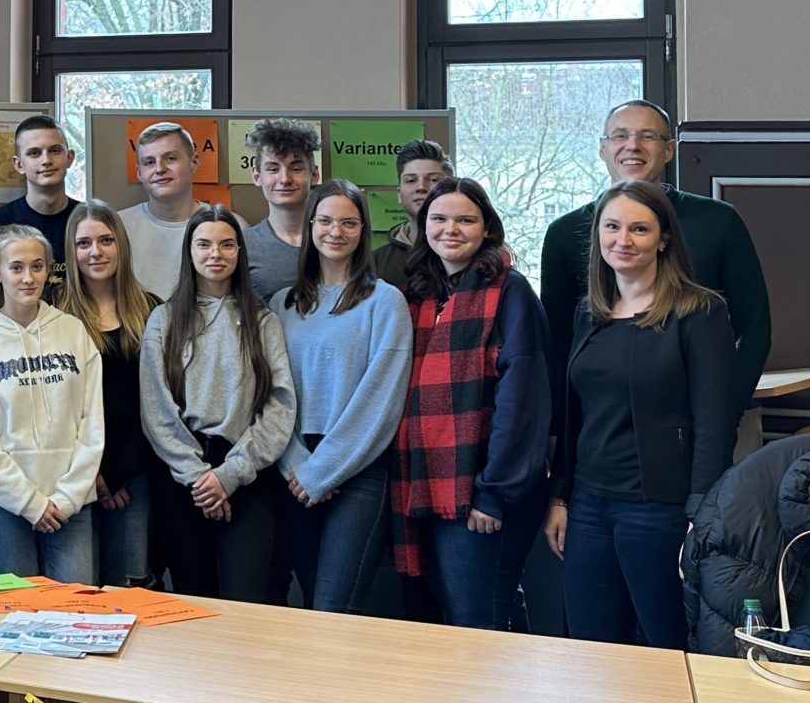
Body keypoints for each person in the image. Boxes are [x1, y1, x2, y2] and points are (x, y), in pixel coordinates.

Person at [545, 180, 736, 649]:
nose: (622, 240)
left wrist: (699, 511)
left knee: (666, 646)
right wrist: (561, 497)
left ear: (664, 238)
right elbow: (575, 416)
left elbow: (714, 421)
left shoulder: (699, 312)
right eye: (612, 227)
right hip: (588, 506)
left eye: (639, 229)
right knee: (592, 646)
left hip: (660, 511)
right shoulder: (588, 314)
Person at [539, 101, 769, 449]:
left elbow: (754, 330)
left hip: (713, 425)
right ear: (603, 149)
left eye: (647, 136)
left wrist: (725, 409)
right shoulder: (565, 233)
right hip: (604, 431)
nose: (633, 145)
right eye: (620, 136)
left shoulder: (719, 221)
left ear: (669, 150)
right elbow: (558, 344)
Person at [390, 178, 550, 631]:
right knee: (442, 616)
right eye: (439, 219)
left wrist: (493, 492)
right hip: (424, 483)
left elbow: (523, 402)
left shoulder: (510, 291)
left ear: (486, 228)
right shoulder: (417, 295)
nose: (450, 229)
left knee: (477, 618)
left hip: (482, 489)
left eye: (466, 219)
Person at [267, 180, 412, 614]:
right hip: (293, 468)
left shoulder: (385, 302)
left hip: (357, 471)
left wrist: (323, 471)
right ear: (310, 225)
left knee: (333, 610)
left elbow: (381, 400)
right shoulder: (282, 304)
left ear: (364, 231)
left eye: (349, 223)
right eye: (326, 220)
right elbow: (272, 393)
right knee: (308, 602)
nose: (336, 231)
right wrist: (296, 463)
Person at [139, 205, 295, 602]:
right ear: (189, 252)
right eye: (204, 244)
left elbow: (279, 407)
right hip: (182, 474)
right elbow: (156, 409)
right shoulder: (164, 320)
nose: (215, 254)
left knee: (247, 599)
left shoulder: (264, 322)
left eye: (227, 245)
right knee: (195, 598)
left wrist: (229, 476)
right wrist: (197, 477)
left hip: (246, 470)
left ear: (240, 253)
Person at [0, 226, 105, 581]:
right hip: (6, 505)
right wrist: (30, 503)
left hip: (71, 502)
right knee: (19, 617)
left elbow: (92, 422)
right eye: (16, 267)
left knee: (75, 611)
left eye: (37, 266)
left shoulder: (73, 331)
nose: (28, 278)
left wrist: (68, 497)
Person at [59, 200, 159, 586]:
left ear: (121, 245)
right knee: (78, 590)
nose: (95, 252)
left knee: (130, 587)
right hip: (72, 475)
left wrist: (116, 474)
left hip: (133, 474)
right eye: (84, 243)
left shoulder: (152, 312)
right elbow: (55, 406)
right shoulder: (54, 315)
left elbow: (155, 404)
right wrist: (93, 474)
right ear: (71, 251)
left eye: (105, 240)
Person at [0, 114, 80, 299]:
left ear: (69, 158)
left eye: (55, 150)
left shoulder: (88, 223)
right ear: (19, 164)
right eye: (34, 153)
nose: (46, 160)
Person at [118, 122, 203, 298]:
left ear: (194, 162)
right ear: (139, 172)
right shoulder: (117, 228)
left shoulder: (227, 226)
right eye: (149, 162)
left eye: (170, 158)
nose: (159, 169)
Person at [241, 118, 321, 301]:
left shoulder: (334, 239)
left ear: (314, 175)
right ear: (257, 176)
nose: (285, 179)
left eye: (296, 168)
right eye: (273, 169)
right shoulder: (243, 247)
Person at [372, 140, 451, 290]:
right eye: (411, 180)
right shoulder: (375, 264)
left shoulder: (465, 252)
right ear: (399, 195)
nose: (421, 187)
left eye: (433, 180)